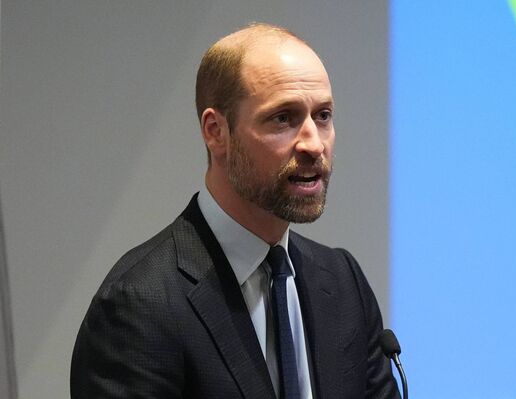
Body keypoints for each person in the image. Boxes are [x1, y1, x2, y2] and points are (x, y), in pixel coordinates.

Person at [71, 23, 399, 399]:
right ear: (215, 132)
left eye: (322, 116)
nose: (313, 143)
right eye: (283, 118)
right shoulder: (138, 306)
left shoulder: (343, 283)